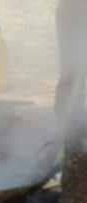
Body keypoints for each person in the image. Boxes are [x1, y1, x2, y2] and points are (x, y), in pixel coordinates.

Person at [55, 0, 87, 141]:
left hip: (76, 13)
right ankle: (67, 126)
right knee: (72, 71)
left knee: (77, 73)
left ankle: (73, 122)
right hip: (73, 14)